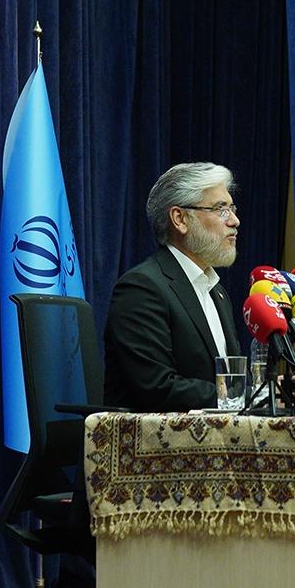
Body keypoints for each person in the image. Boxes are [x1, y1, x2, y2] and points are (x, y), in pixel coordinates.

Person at [103, 161, 243, 412]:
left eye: (232, 208)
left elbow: (226, 380)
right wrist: (242, 395)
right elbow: (158, 387)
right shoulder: (142, 288)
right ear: (180, 219)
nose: (234, 220)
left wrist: (265, 392)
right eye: (221, 209)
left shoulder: (217, 291)